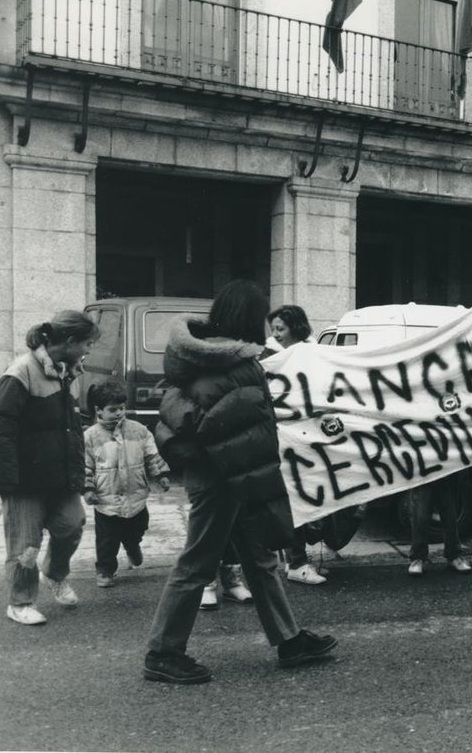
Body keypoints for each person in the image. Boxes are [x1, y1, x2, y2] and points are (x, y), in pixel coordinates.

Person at [145, 280, 337, 684]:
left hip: (222, 472)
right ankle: (162, 652)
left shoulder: (197, 356)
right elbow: (247, 425)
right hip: (227, 475)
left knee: (260, 558)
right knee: (199, 561)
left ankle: (289, 640)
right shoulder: (236, 364)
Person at [0, 311, 100, 626]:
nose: (90, 349)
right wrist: (6, 481)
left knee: (72, 525)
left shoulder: (67, 372)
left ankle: (56, 574)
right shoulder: (22, 371)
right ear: (70, 341)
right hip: (25, 479)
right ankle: (20, 602)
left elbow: (69, 429)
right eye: (88, 343)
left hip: (58, 476)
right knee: (26, 545)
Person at [82, 378, 171, 588]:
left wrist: (161, 475)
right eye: (113, 409)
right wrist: (88, 488)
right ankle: (105, 570)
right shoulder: (90, 437)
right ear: (99, 411)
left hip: (136, 495)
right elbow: (85, 466)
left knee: (139, 527)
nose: (119, 413)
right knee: (106, 540)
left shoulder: (139, 431)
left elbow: (151, 456)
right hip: (106, 500)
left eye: (122, 408)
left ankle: (133, 546)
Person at [264, 304, 327, 586]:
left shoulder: (315, 355)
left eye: (281, 329)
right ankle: (296, 561)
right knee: (293, 500)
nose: (276, 335)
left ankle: (299, 558)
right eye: (273, 329)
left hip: (310, 438)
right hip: (284, 442)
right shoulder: (268, 359)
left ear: (297, 329)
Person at [406, 473, 472, 576]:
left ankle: (454, 555)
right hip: (423, 476)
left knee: (450, 516)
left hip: (446, 476)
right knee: (420, 516)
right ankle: (418, 557)